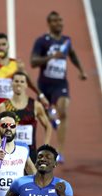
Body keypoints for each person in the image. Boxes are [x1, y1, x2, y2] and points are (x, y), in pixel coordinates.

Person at [30, 11, 87, 163]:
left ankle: (60, 152)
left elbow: (73, 55)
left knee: (63, 111)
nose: (59, 24)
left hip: (60, 84)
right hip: (44, 85)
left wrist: (81, 70)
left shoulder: (66, 41)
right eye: (55, 21)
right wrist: (50, 57)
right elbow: (33, 62)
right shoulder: (42, 41)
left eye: (60, 21)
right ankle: (52, 116)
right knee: (44, 117)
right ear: (49, 23)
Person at [0, 33, 48, 132]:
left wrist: (41, 95)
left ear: (8, 46)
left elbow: (29, 81)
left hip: (15, 111)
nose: (1, 48)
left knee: (13, 144)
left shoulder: (16, 64)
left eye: (3, 44)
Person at [0, 71, 52, 162]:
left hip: (30, 154)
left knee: (32, 176)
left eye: (22, 82)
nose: (19, 84)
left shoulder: (35, 105)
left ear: (26, 85)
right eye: (16, 81)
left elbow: (48, 126)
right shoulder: (4, 107)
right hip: (10, 155)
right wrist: (6, 134)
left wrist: (45, 147)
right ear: (12, 84)